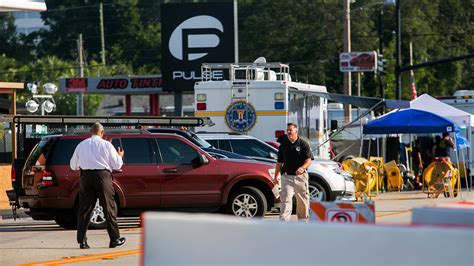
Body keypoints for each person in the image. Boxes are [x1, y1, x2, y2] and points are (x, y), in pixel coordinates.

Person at [70, 122, 125, 249]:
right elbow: (117, 165)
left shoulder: (81, 145)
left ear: (91, 132)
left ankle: (82, 241)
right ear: (102, 132)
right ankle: (114, 239)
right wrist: (120, 156)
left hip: (86, 177)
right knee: (108, 208)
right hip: (102, 177)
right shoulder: (106, 145)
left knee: (85, 209)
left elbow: (73, 166)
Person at [274, 123, 313, 221]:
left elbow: (309, 160)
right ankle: (283, 223)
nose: (288, 132)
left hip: (301, 178)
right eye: (287, 130)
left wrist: (302, 168)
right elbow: (279, 162)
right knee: (285, 200)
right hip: (287, 178)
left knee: (302, 201)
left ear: (296, 131)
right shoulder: (283, 146)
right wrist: (276, 176)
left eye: (290, 130)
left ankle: (303, 222)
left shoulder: (303, 144)